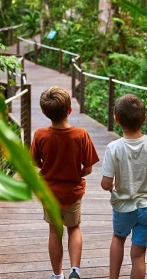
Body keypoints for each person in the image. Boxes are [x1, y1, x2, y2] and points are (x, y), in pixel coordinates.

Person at [30, 86, 100, 279]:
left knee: (54, 231)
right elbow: (88, 168)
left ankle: (57, 275)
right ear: (70, 110)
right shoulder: (81, 135)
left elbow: (35, 161)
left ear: (44, 113)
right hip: (72, 192)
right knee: (74, 228)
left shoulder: (40, 135)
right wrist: (75, 172)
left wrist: (47, 165)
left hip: (49, 192)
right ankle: (75, 270)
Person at [101, 94, 147, 279]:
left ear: (116, 120)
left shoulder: (113, 147)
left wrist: (112, 187)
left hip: (123, 207)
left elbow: (106, 183)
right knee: (139, 255)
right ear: (145, 118)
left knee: (118, 238)